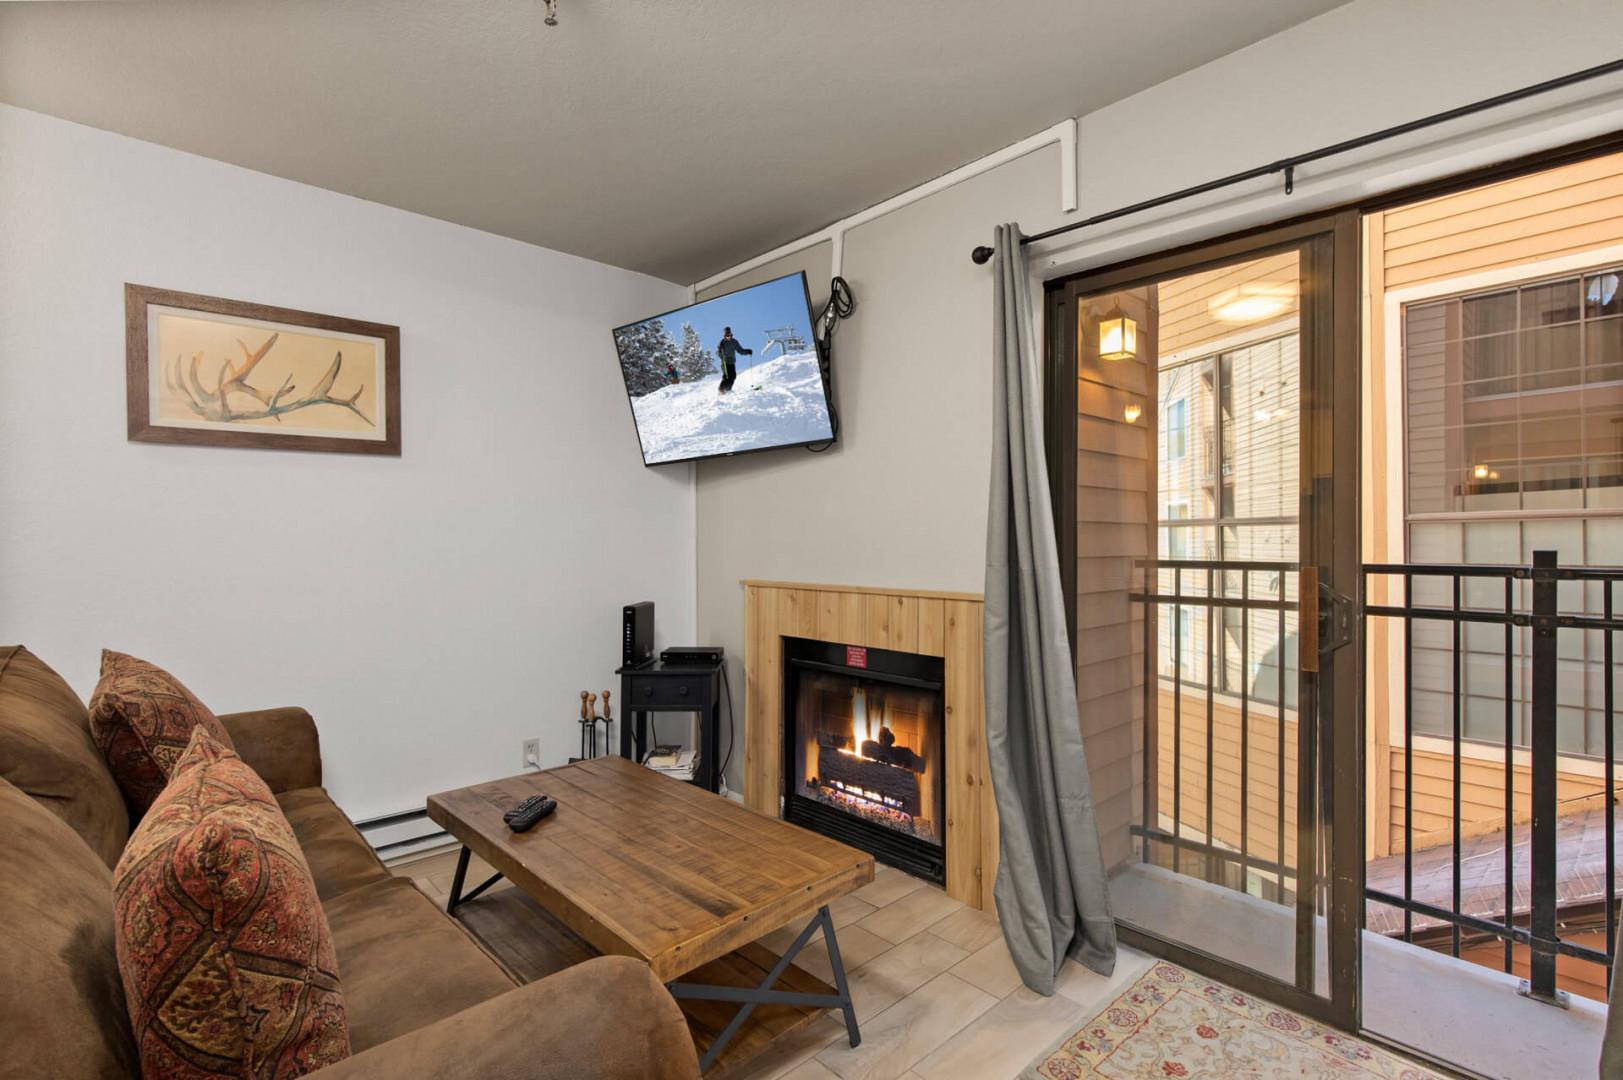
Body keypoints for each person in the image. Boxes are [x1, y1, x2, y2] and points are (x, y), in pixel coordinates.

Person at [716, 327, 752, 393]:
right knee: (726, 376)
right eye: (726, 335)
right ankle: (721, 390)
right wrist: (721, 356)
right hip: (725, 362)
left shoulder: (734, 342)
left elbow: (740, 350)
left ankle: (728, 389)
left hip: (732, 362)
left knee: (733, 376)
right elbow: (718, 352)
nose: (728, 336)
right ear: (724, 335)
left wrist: (747, 351)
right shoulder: (722, 342)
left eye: (729, 335)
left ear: (731, 334)